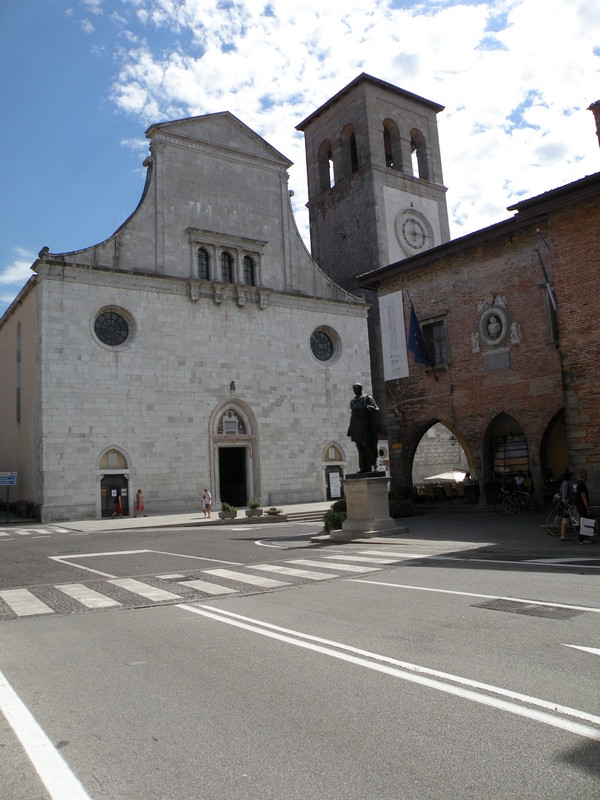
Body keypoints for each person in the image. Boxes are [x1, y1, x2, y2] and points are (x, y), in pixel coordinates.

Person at [347, 383, 379, 474]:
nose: (355, 390)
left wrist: (372, 408)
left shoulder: (367, 398)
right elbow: (352, 415)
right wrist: (350, 428)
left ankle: (374, 465)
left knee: (368, 446)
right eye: (354, 389)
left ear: (360, 389)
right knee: (360, 448)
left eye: (357, 388)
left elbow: (377, 409)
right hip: (356, 427)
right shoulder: (353, 401)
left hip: (365, 426)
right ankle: (363, 467)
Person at [571, 469, 593, 544]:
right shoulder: (581, 484)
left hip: (577, 505)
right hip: (582, 505)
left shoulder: (575, 483)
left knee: (582, 521)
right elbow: (583, 497)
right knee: (584, 521)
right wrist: (587, 508)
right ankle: (582, 538)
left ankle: (585, 537)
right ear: (584, 476)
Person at [559, 469, 573, 541]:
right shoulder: (565, 484)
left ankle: (563, 535)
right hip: (567, 505)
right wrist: (568, 504)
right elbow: (564, 497)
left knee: (566, 520)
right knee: (565, 520)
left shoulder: (567, 483)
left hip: (569, 504)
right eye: (571, 477)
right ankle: (562, 535)